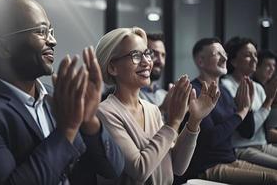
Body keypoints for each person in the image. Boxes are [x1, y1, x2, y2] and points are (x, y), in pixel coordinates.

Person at [0, 0, 124, 185]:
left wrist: (89, 120)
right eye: (42, 32)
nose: (53, 41)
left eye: (50, 31)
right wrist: (67, 130)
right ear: (3, 47)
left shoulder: (59, 97)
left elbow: (113, 169)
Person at [95, 27, 220, 185]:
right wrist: (173, 123)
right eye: (135, 55)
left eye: (147, 54)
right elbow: (139, 170)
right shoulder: (105, 112)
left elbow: (177, 166)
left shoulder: (152, 109)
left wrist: (194, 121)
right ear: (113, 67)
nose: (148, 62)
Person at [177, 38, 277, 184]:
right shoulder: (194, 91)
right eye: (217, 54)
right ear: (201, 61)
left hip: (231, 160)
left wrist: (246, 107)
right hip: (207, 166)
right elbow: (211, 139)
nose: (224, 58)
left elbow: (247, 131)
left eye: (224, 53)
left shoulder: (224, 91)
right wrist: (240, 113)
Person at [221, 36, 277, 169]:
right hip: (241, 147)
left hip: (262, 145)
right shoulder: (226, 86)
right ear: (234, 61)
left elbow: (267, 128)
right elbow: (248, 131)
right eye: (248, 55)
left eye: (255, 55)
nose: (254, 60)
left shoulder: (258, 87)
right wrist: (268, 101)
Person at [139, 33, 168, 113]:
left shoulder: (165, 95)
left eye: (163, 55)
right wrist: (163, 109)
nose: (160, 61)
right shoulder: (130, 96)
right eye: (154, 54)